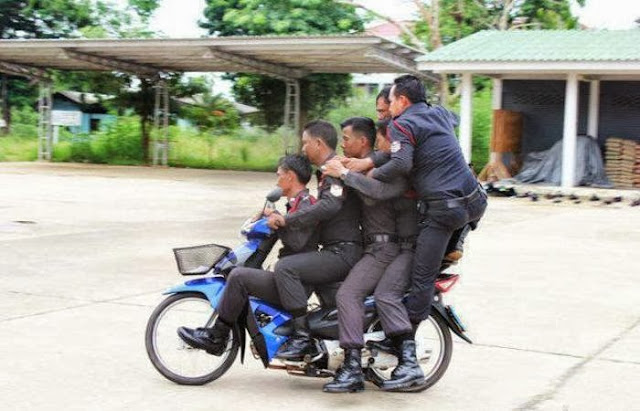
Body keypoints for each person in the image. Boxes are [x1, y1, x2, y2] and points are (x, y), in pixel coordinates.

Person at [176, 154, 318, 355]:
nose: (276, 180)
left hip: (294, 284)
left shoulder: (307, 204)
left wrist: (279, 222)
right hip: (288, 277)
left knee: (239, 277)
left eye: (279, 175)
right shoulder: (293, 204)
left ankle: (218, 336)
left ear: (290, 177)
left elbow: (299, 242)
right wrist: (267, 219)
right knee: (242, 274)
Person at [323, 119, 422, 392]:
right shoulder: (366, 167)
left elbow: (375, 193)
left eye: (346, 138)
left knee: (349, 294)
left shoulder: (392, 171)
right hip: (371, 247)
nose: (383, 148)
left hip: (385, 249)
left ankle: (353, 366)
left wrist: (343, 172)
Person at [270, 120, 363, 361]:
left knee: (286, 268)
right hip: (337, 250)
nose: (303, 149)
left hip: (343, 252)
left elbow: (329, 205)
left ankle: (301, 338)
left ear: (318, 143)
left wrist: (289, 220)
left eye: (305, 143)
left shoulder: (332, 170)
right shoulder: (327, 171)